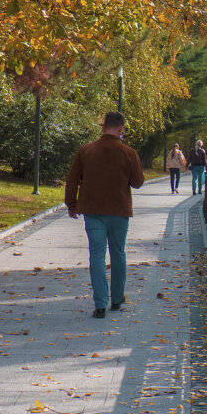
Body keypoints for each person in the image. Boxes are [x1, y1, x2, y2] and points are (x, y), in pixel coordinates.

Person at [65, 111, 144, 319]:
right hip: (119, 211)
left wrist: (71, 204)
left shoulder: (85, 151)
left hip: (93, 211)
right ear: (121, 129)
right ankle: (117, 299)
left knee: (97, 256)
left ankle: (100, 304)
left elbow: (72, 180)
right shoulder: (128, 153)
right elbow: (137, 182)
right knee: (118, 253)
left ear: (103, 127)